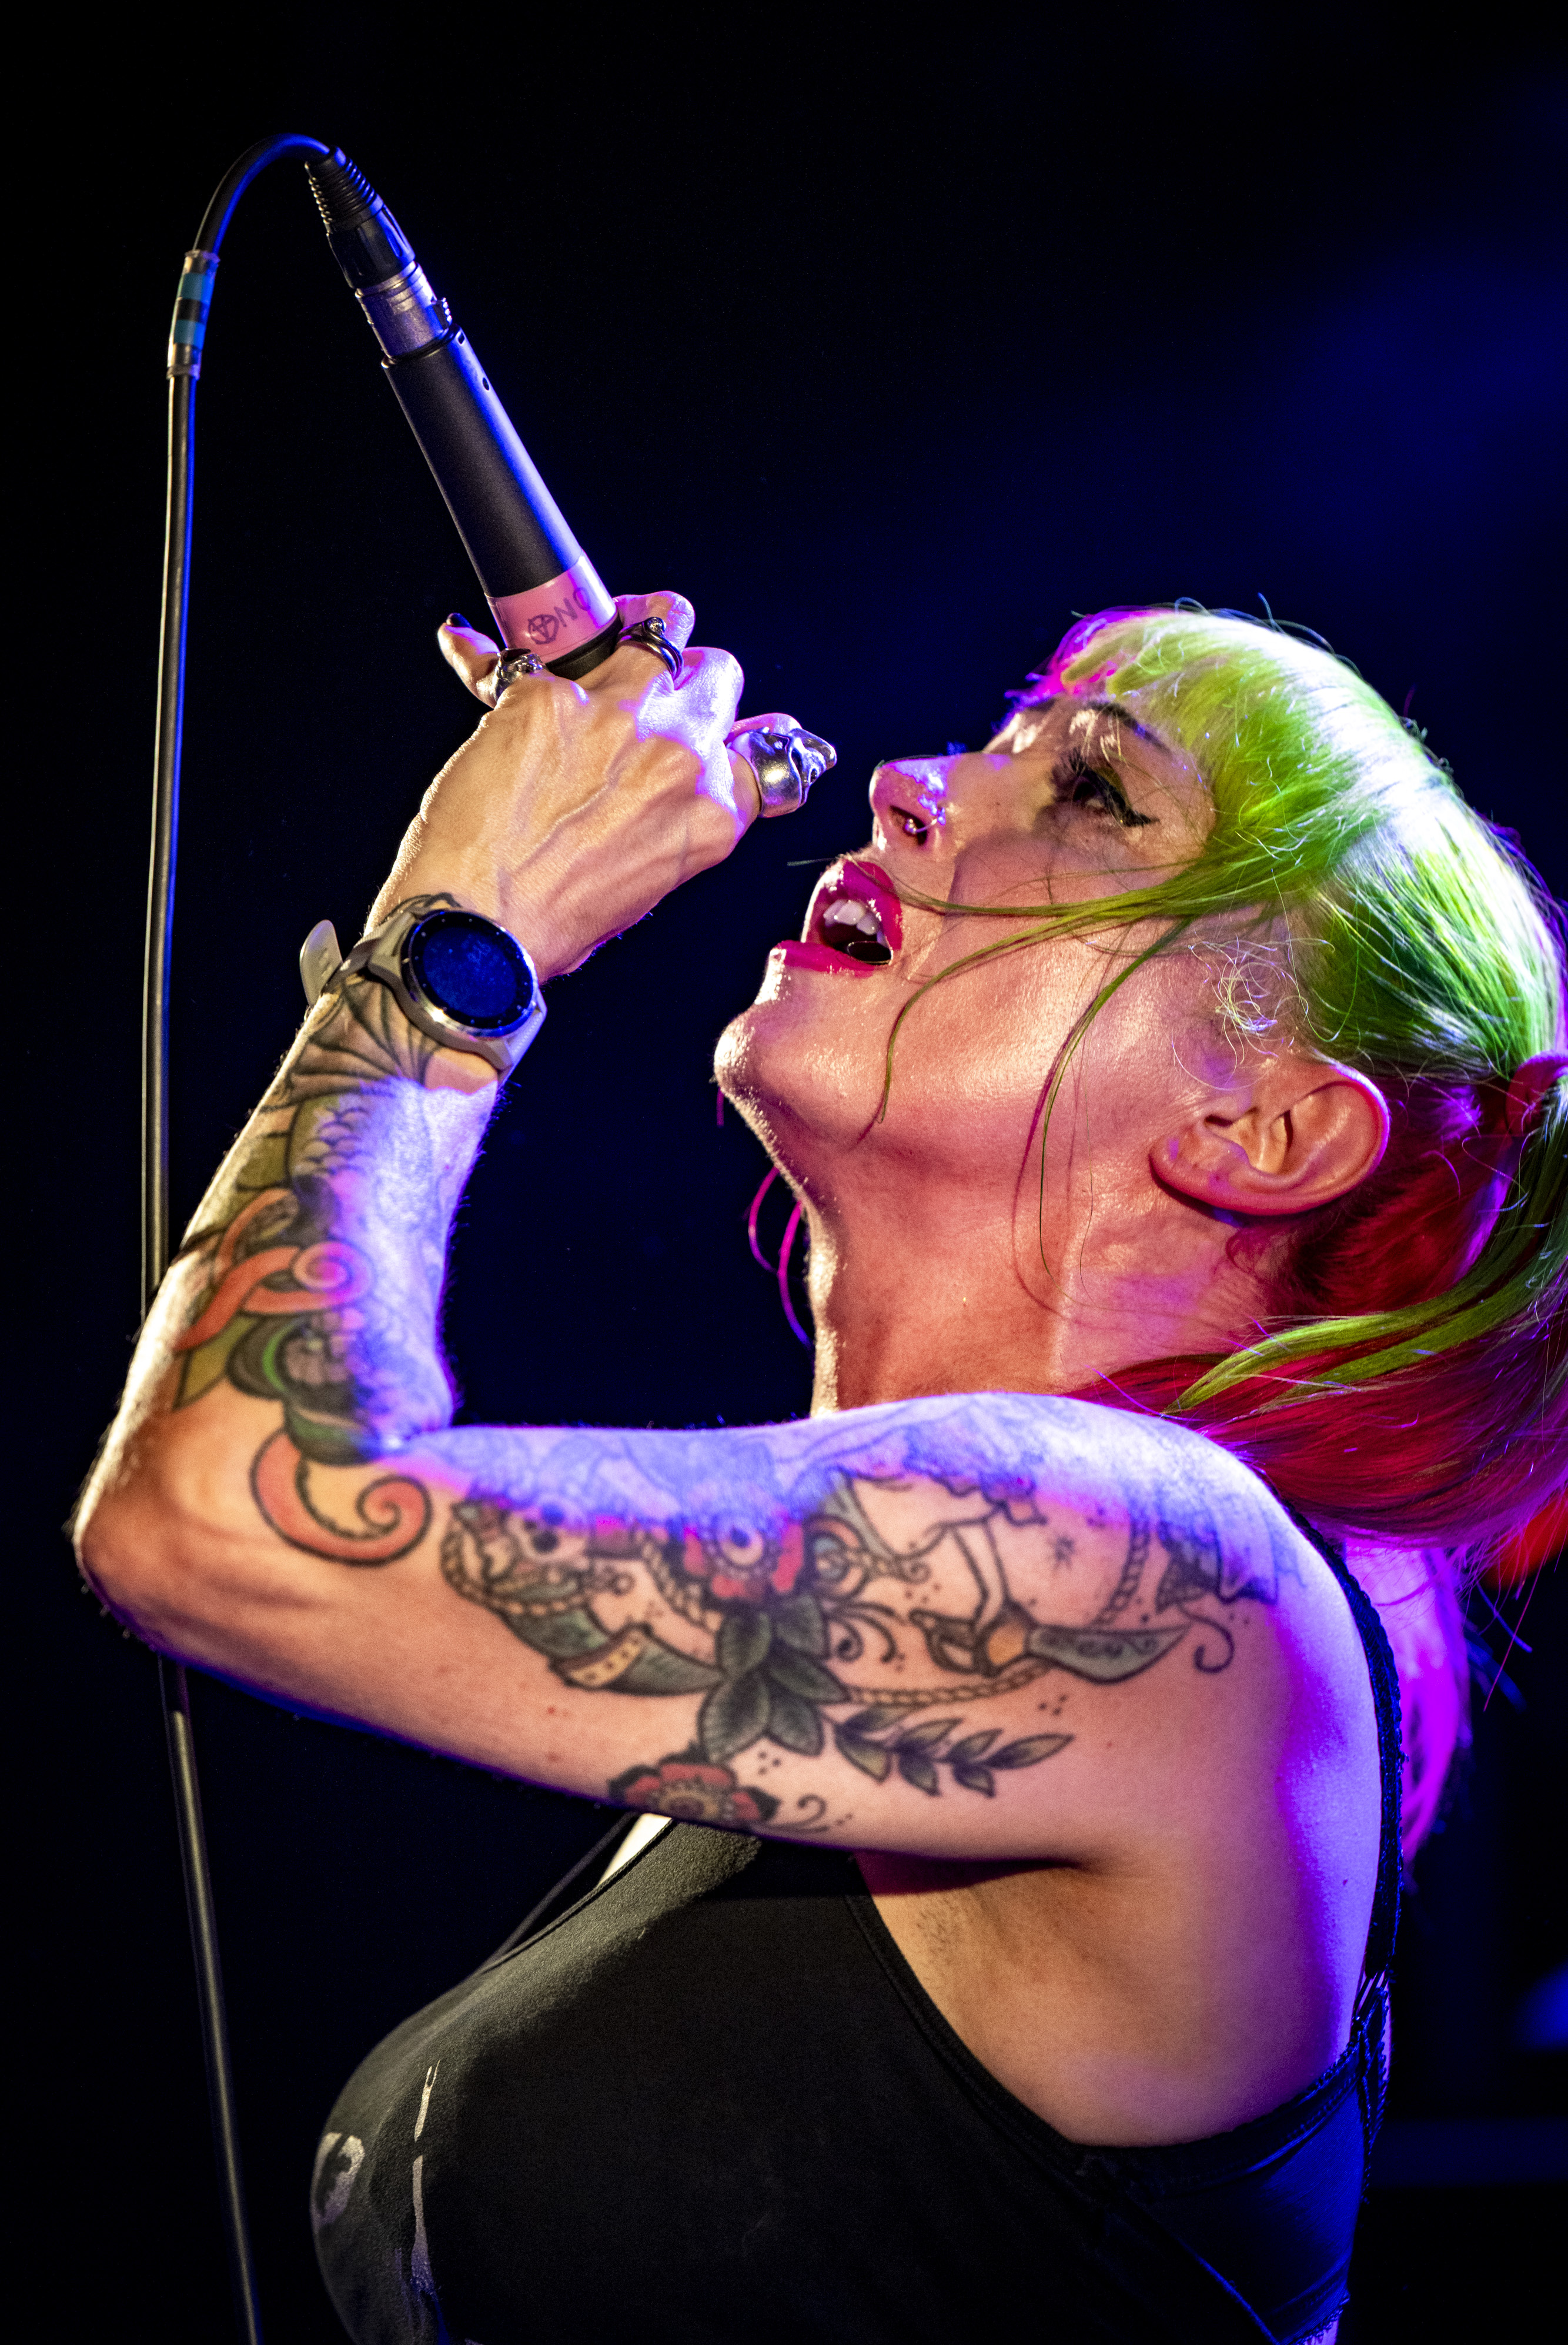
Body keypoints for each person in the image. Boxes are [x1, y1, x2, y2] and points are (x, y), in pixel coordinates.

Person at [78, 594, 1566, 2344]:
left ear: (1265, 1129)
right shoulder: (971, 1629)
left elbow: (229, 1515)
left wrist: (462, 929)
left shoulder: (1165, 1577)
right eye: (996, 741)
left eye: (1093, 791)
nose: (910, 783)